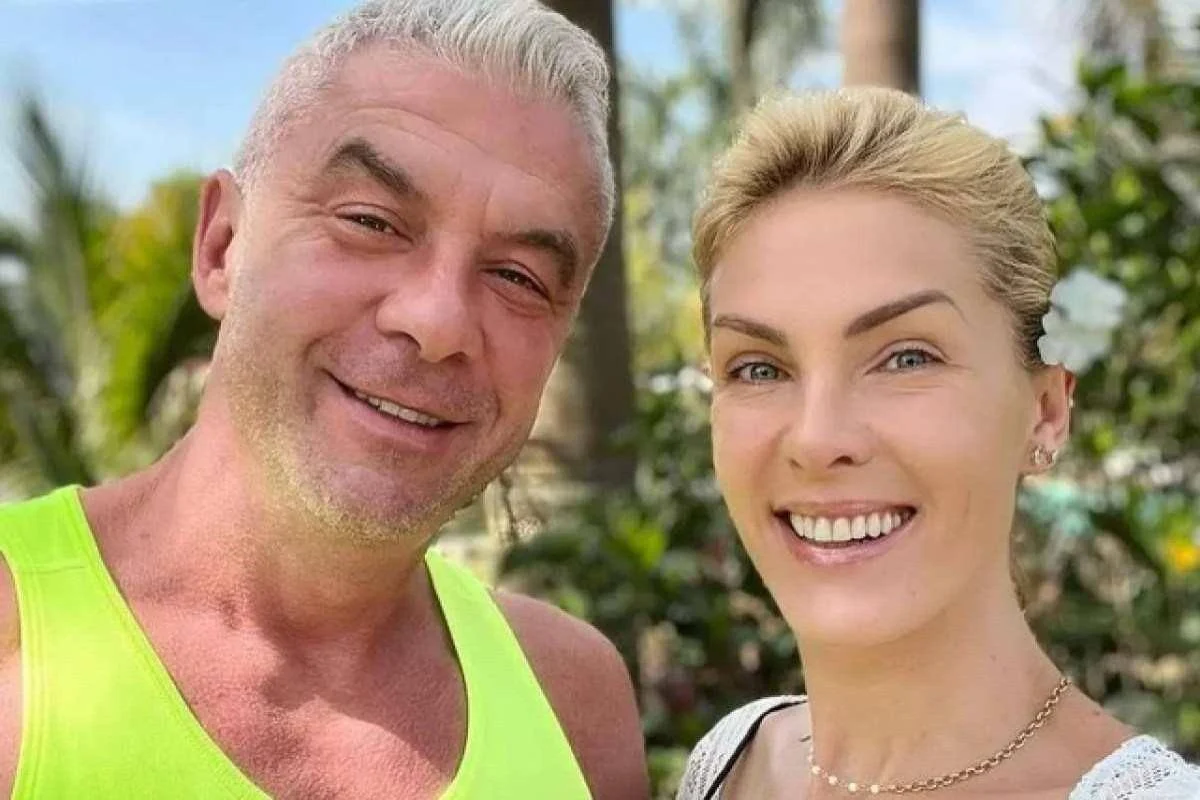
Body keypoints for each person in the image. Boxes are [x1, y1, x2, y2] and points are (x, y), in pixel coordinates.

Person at [0, 1, 649, 797]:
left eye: (518, 276)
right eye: (371, 221)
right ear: (221, 247)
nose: (437, 322)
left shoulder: (573, 705)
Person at [677, 88, 1200, 799]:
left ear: (1045, 412)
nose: (818, 439)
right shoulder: (731, 763)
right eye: (759, 368)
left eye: (907, 358)